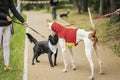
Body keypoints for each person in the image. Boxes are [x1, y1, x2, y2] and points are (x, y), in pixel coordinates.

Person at [0, 0, 28, 70]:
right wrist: (5, 16)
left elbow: (14, 10)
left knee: (7, 45)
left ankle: (7, 65)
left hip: (7, 25)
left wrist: (23, 21)